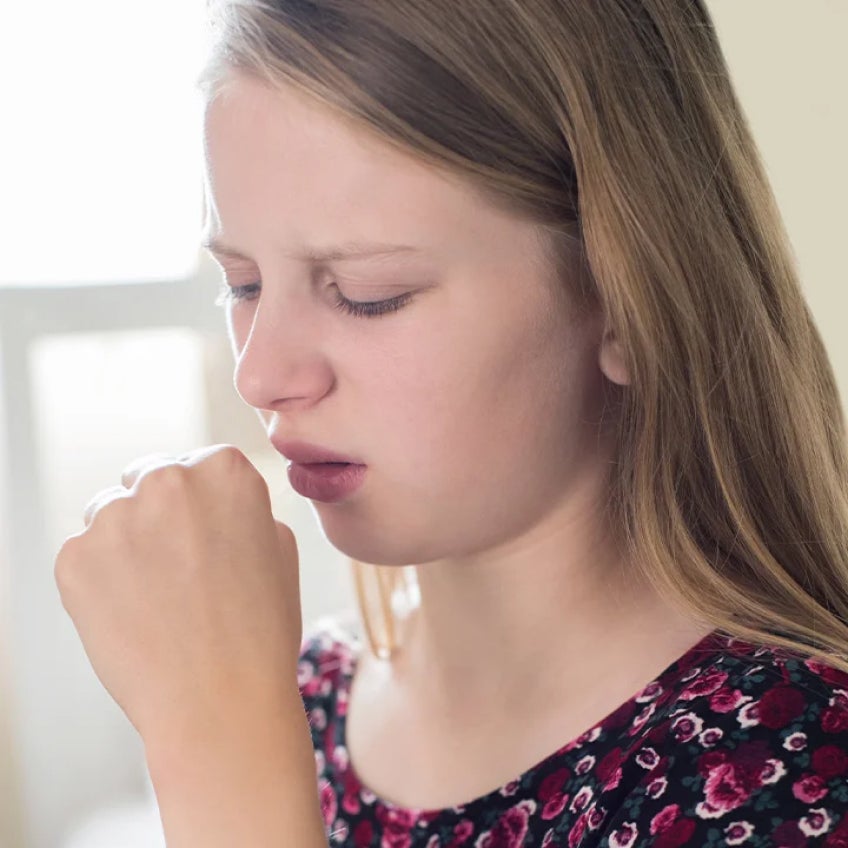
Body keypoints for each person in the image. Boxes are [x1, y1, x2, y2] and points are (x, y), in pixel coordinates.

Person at [54, 0, 848, 845]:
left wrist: (219, 758)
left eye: (369, 294)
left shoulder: (792, 766)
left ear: (626, 298)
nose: (262, 373)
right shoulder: (301, 697)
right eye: (244, 283)